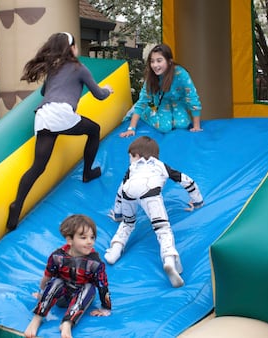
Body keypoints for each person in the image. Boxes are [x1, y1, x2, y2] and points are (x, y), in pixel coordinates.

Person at [7, 32, 114, 231]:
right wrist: (108, 89)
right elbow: (99, 95)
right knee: (94, 129)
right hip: (61, 113)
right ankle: (88, 172)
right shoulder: (79, 67)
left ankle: (17, 205)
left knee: (38, 167)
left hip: (43, 115)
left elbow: (43, 93)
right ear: (71, 48)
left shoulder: (53, 69)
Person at [104, 136, 204, 287]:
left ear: (137, 156)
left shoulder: (132, 168)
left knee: (127, 223)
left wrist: (118, 214)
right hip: (150, 194)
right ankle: (169, 260)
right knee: (162, 229)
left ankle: (114, 251)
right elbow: (186, 180)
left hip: (128, 192)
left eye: (130, 157)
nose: (130, 160)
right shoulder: (161, 165)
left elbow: (120, 191)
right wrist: (197, 201)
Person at [24, 214, 111, 338]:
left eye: (92, 237)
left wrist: (105, 308)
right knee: (57, 281)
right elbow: (47, 277)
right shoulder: (57, 257)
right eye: (83, 237)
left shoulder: (95, 263)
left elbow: (103, 286)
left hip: (82, 296)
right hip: (62, 295)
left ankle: (67, 322)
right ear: (70, 240)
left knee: (89, 287)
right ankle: (37, 318)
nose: (89, 241)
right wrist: (42, 294)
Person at [119, 44, 202, 137]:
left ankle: (158, 111)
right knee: (165, 127)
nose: (155, 65)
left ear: (169, 61)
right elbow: (143, 100)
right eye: (152, 61)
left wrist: (196, 126)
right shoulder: (151, 76)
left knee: (182, 124)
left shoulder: (181, 74)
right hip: (158, 103)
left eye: (159, 61)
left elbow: (192, 97)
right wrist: (131, 128)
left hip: (178, 103)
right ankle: (145, 111)